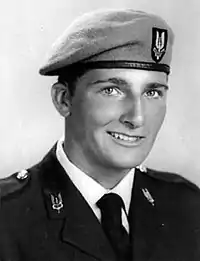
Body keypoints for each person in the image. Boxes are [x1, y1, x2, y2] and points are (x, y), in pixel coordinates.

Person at [0, 8, 200, 261]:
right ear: (63, 100)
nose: (137, 118)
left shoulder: (186, 206)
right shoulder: (7, 218)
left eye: (152, 93)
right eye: (112, 91)